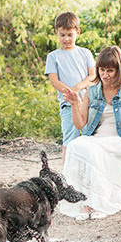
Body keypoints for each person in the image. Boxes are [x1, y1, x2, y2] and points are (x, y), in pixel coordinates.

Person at [58, 45, 121, 219]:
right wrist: (75, 104)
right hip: (97, 138)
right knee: (74, 145)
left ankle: (98, 203)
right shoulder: (93, 90)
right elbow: (80, 124)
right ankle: (85, 202)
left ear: (119, 70)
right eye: (102, 70)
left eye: (110, 70)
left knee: (92, 150)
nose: (105, 75)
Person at [44, 12, 96, 146]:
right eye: (62, 35)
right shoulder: (53, 56)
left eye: (70, 35)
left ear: (77, 32)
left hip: (86, 104)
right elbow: (54, 81)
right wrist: (71, 94)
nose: (66, 39)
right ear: (56, 32)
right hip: (67, 105)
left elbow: (93, 76)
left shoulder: (85, 53)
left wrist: (77, 88)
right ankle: (67, 167)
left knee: (89, 138)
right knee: (69, 141)